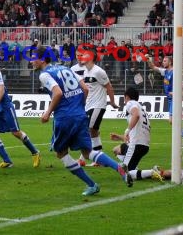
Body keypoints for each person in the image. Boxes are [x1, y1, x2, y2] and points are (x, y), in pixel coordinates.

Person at [31, 46, 132, 196]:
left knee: (61, 153)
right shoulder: (65, 68)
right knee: (87, 152)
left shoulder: (44, 75)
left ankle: (92, 184)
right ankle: (118, 168)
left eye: (33, 58)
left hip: (64, 117)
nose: (31, 61)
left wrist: (47, 113)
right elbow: (85, 88)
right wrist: (80, 106)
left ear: (42, 59)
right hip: (79, 114)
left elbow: (57, 93)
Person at [74, 47, 119, 166]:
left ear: (89, 58)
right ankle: (98, 158)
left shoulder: (99, 71)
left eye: (83, 57)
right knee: (94, 131)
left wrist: (112, 102)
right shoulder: (86, 71)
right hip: (89, 105)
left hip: (98, 105)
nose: (80, 59)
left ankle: (82, 159)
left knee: (88, 130)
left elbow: (108, 87)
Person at [109, 87, 163, 182]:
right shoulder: (142, 108)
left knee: (125, 173)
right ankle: (134, 168)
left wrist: (127, 130)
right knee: (116, 149)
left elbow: (136, 115)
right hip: (144, 146)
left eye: (124, 98)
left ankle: (152, 172)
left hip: (136, 145)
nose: (125, 101)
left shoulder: (131, 103)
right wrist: (120, 137)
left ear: (127, 97)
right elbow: (137, 133)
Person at [146, 55, 183, 145]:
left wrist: (176, 93)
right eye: (163, 61)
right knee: (173, 121)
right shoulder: (165, 71)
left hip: (175, 99)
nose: (163, 62)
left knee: (172, 121)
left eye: (165, 61)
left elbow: (182, 85)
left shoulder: (176, 72)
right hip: (170, 99)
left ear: (170, 62)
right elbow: (153, 67)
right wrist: (148, 60)